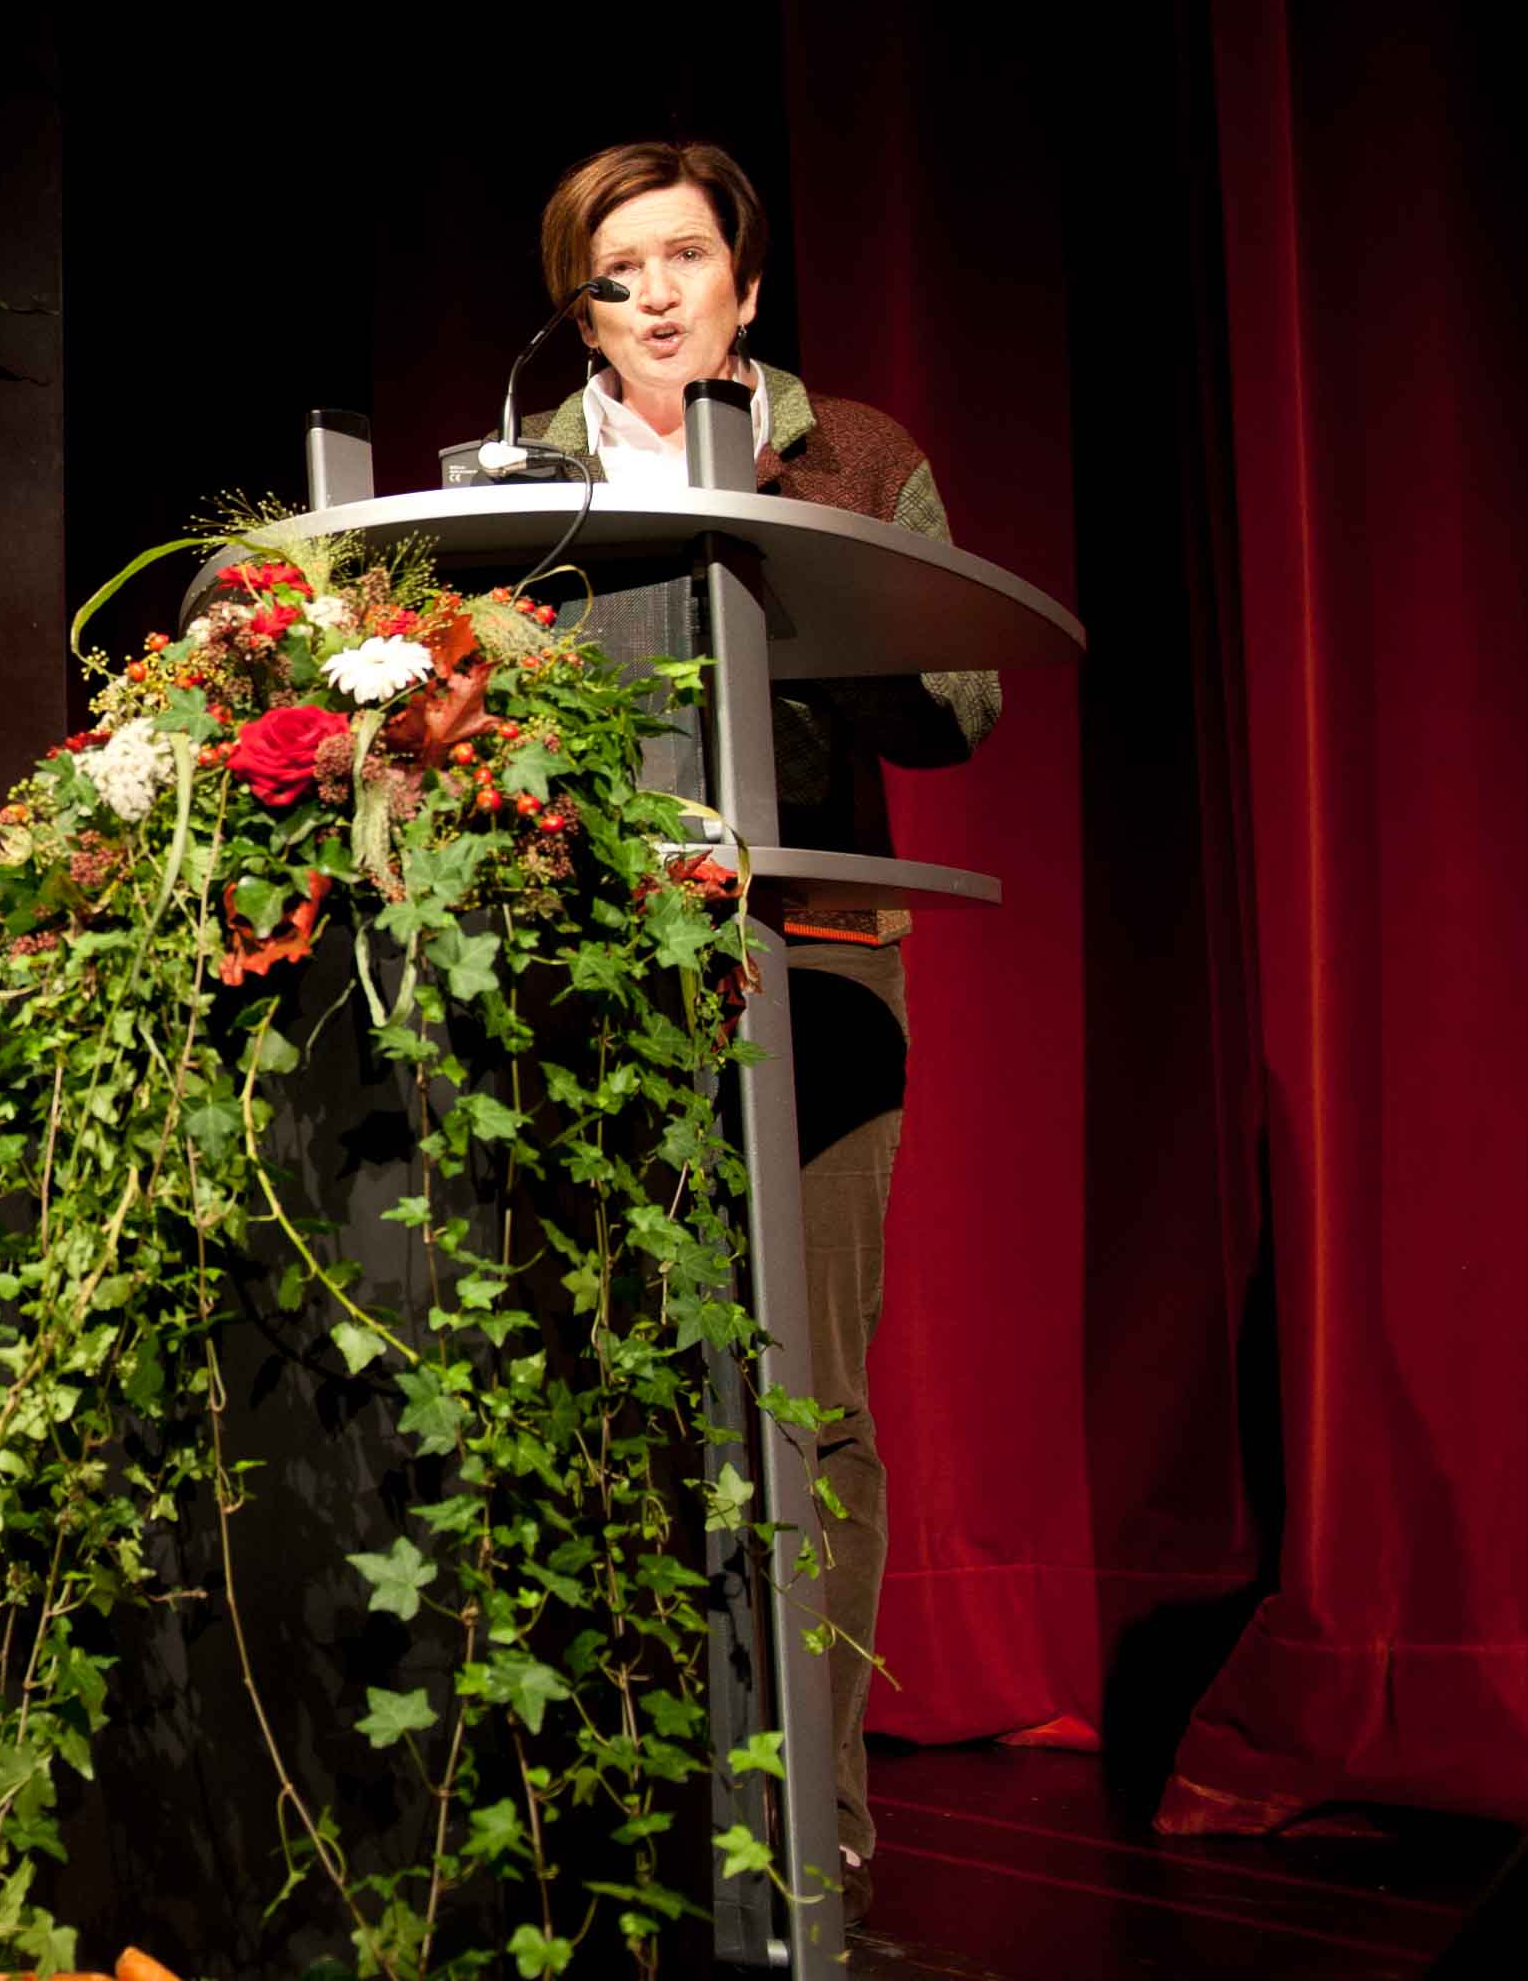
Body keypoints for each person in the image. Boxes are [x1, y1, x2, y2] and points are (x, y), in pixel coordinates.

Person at [518, 137, 1000, 1919]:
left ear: (747, 283)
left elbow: (960, 707)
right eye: (615, 270)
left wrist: (802, 577)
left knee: (802, 1398)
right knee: (602, 1382)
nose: (653, 295)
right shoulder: (523, 476)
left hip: (814, 965)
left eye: (683, 257)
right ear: (580, 308)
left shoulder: (848, 453)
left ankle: (809, 1817)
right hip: (589, 972)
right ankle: (623, 1807)